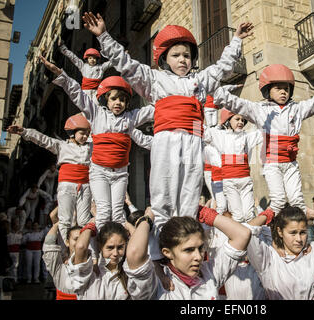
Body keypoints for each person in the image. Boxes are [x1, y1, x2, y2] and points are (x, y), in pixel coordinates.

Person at [81, 11, 254, 261]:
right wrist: (104, 37)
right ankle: (158, 256)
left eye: (186, 55)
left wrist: (236, 40)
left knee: (189, 196)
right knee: (162, 197)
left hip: (192, 142)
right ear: (164, 58)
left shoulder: (200, 80)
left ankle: (184, 250)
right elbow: (126, 63)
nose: (182, 59)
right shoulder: (154, 79)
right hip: (166, 141)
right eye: (175, 55)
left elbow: (221, 68)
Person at [212, 65, 314, 218]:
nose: (283, 91)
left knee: (298, 201)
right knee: (278, 201)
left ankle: (300, 231)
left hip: (291, 162)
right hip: (272, 162)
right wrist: (215, 89)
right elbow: (237, 103)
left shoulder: (297, 108)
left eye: (286, 88)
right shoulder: (260, 109)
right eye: (278, 88)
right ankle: (258, 228)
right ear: (268, 90)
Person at [40, 56, 154, 232]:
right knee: (103, 213)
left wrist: (174, 94)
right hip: (99, 172)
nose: (118, 103)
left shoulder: (131, 118)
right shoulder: (96, 113)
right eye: (114, 98)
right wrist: (60, 74)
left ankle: (119, 252)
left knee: (117, 214)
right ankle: (96, 254)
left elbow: (151, 110)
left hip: (120, 174)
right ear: (105, 100)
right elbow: (76, 92)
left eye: (122, 100)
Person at [8, 115, 92, 242]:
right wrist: (24, 131)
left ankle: (84, 249)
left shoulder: (90, 147)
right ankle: (65, 250)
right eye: (82, 133)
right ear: (72, 133)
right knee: (65, 220)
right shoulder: (61, 145)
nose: (85, 137)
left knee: (84, 220)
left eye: (87, 134)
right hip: (67, 185)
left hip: (85, 186)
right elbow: (43, 139)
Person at [242, 204, 314, 300]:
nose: (299, 239)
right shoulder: (268, 257)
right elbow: (246, 231)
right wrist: (268, 214)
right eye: (293, 233)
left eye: (302, 232)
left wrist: (312, 213)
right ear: (280, 232)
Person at [67, 217, 157, 300]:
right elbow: (80, 247)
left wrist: (129, 225)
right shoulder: (89, 274)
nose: (115, 254)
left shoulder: (131, 274)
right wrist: (90, 225)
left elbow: (137, 249)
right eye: (110, 247)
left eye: (120, 247)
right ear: (100, 246)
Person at [204, 108, 262, 222]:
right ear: (227, 121)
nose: (240, 122)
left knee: (249, 215)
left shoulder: (247, 136)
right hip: (229, 182)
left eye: (243, 120)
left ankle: (251, 238)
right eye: (237, 119)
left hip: (245, 181)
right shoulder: (220, 136)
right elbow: (201, 132)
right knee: (238, 216)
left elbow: (264, 132)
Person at [6, 217, 22, 281]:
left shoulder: (19, 234)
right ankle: (11, 279)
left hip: (16, 252)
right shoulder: (9, 234)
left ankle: (14, 280)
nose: (16, 227)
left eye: (17, 226)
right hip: (10, 251)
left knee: (15, 266)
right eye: (15, 225)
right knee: (10, 266)